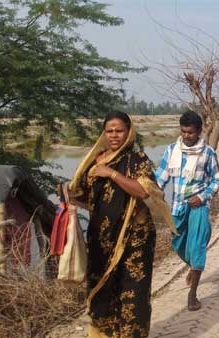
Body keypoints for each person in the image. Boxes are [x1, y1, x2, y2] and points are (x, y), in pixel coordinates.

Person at [68, 111, 175, 338]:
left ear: (129, 132)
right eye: (109, 131)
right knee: (103, 292)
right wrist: (68, 193)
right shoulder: (94, 161)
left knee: (133, 292)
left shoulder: (138, 161)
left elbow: (145, 191)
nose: (114, 135)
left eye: (119, 130)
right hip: (101, 239)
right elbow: (87, 197)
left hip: (134, 240)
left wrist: (112, 174)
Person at [155, 110, 219, 311]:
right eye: (183, 132)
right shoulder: (171, 150)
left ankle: (193, 293)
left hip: (199, 208)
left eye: (191, 132)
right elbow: (160, 177)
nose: (186, 136)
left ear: (199, 131)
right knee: (179, 245)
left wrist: (202, 197)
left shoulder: (208, 153)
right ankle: (192, 267)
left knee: (198, 246)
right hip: (177, 207)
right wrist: (149, 192)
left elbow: (217, 179)